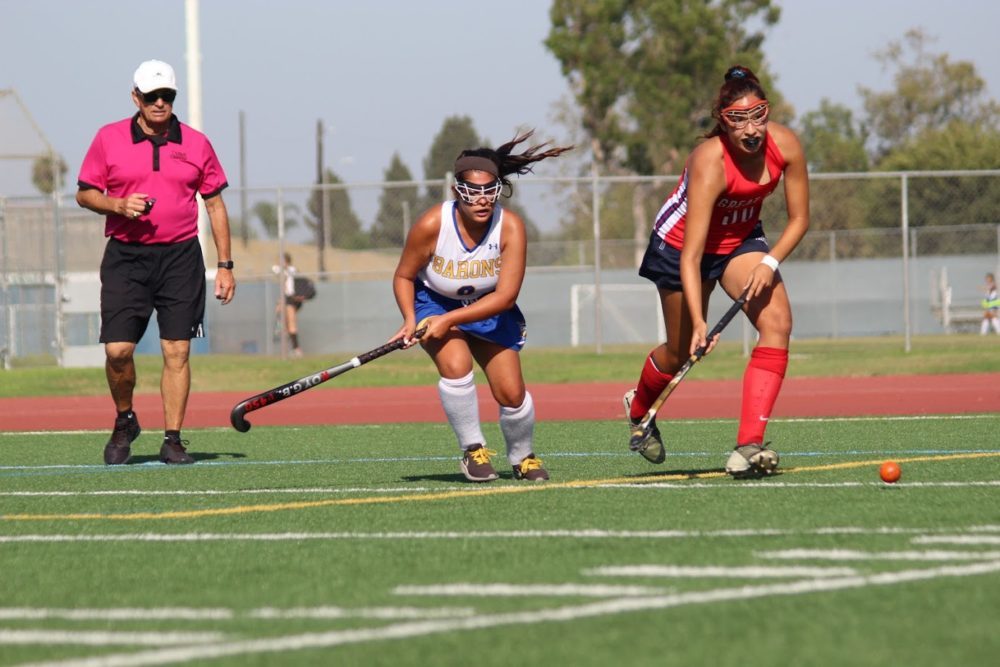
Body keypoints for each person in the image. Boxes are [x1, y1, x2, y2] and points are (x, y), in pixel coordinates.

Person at [624, 65, 810, 478]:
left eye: (757, 115)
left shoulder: (787, 146)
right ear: (722, 122)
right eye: (738, 119)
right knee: (678, 352)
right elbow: (692, 257)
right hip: (679, 249)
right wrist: (701, 324)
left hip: (740, 242)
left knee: (777, 323)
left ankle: (748, 447)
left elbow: (800, 220)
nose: (751, 128)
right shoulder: (710, 161)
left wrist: (769, 261)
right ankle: (639, 408)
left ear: (767, 112)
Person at [76, 59, 235, 466]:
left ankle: (173, 439)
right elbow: (84, 193)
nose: (160, 103)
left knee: (177, 351)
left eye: (167, 96)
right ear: (136, 97)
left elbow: (215, 205)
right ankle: (125, 419)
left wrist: (226, 265)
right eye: (151, 97)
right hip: (126, 257)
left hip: (180, 257)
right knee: (117, 351)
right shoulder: (108, 139)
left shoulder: (197, 143)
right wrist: (116, 204)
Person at [390, 131, 572, 482]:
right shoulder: (432, 224)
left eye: (489, 190)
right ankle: (473, 450)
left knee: (512, 393)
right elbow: (402, 276)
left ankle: (523, 458)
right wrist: (411, 318)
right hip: (433, 301)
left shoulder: (511, 228)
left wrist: (452, 319)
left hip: (490, 309)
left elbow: (505, 297)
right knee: (456, 366)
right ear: (457, 190)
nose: (481, 199)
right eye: (472, 191)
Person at [274, 252, 306, 357]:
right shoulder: (282, 271)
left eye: (281, 260)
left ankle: (297, 349)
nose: (279, 262)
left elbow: (288, 288)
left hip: (291, 299)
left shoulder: (291, 270)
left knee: (291, 324)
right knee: (285, 321)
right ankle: (292, 347)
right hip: (286, 298)